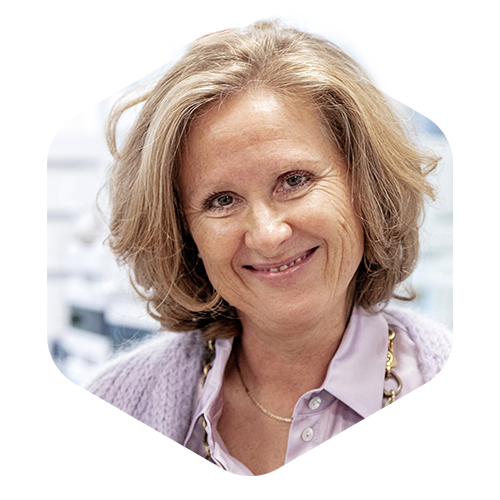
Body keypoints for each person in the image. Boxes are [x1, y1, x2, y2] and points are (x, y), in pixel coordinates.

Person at [49, 20, 452, 476]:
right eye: (221, 200)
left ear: (364, 185)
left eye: (294, 180)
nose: (267, 234)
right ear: (183, 233)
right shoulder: (104, 418)